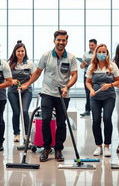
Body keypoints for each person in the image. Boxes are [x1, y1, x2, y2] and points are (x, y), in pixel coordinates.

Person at [20, 30, 77, 162]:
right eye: (59, 40)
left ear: (66, 41)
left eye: (63, 40)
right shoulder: (46, 55)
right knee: (45, 119)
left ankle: (58, 148)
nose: (61, 42)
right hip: (47, 93)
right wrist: (27, 84)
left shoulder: (71, 58)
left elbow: (74, 75)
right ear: (54, 41)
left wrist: (67, 87)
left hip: (63, 94)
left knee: (61, 123)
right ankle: (46, 147)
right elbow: (38, 72)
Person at [86, 44, 119, 157]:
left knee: (107, 118)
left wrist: (110, 84)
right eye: (99, 52)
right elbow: (88, 81)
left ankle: (107, 146)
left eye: (104, 52)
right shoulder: (92, 66)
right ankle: (98, 146)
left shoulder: (112, 65)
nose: (102, 54)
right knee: (96, 120)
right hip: (95, 97)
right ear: (96, 53)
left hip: (109, 96)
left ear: (107, 53)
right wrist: (91, 90)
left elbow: (118, 81)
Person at [8, 40, 36, 143]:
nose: (21, 53)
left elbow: (34, 75)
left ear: (25, 52)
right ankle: (17, 133)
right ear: (15, 52)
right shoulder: (9, 63)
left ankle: (26, 134)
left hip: (26, 91)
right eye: (18, 51)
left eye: (22, 51)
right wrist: (11, 81)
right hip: (12, 91)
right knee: (16, 112)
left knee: (24, 111)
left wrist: (26, 85)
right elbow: (5, 77)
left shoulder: (29, 63)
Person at [80, 39, 97, 117]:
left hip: (96, 75)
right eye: (89, 45)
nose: (90, 47)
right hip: (87, 75)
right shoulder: (85, 54)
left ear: (96, 45)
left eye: (92, 45)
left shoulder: (99, 53)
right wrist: (83, 64)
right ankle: (87, 110)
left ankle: (97, 110)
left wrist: (92, 63)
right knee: (88, 93)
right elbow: (81, 67)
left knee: (96, 92)